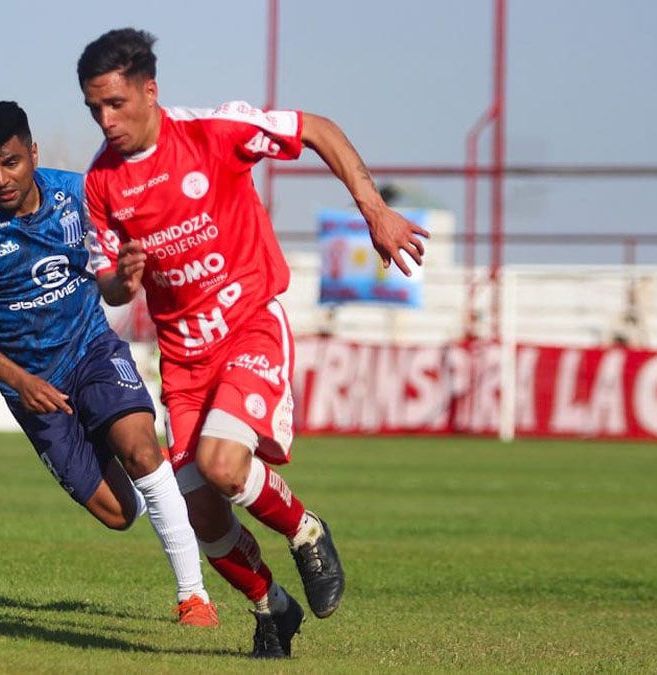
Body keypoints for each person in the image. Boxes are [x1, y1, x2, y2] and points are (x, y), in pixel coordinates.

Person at [77, 29, 429, 658]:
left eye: (116, 104)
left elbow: (317, 128)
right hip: (183, 361)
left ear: (149, 92)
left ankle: (305, 529)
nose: (106, 120)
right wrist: (119, 279)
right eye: (94, 108)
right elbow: (108, 288)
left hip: (248, 327)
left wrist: (372, 208)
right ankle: (272, 606)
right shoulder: (101, 183)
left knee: (220, 465)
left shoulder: (214, 132)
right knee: (203, 515)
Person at [0, 100, 218, 627]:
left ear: (33, 152)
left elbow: (110, 289)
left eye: (11, 162)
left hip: (92, 349)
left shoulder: (79, 195)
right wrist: (19, 380)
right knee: (118, 513)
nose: (0, 179)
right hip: (30, 386)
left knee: (139, 446)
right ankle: (155, 489)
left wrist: (124, 280)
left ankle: (194, 597)